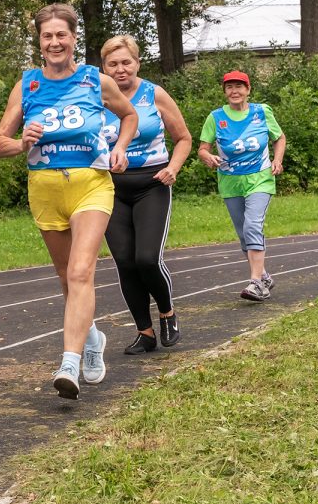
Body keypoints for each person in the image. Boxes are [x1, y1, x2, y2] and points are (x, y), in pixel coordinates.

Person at [0, 3, 137, 400]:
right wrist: (20, 142)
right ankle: (92, 338)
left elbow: (129, 116)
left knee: (80, 272)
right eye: (47, 36)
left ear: (74, 38)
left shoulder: (95, 80)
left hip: (91, 184)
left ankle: (68, 362)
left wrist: (121, 148)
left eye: (62, 35)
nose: (55, 42)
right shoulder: (27, 86)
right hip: (44, 188)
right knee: (64, 276)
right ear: (39, 42)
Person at [99, 36, 192, 354]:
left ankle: (167, 313)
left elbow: (183, 138)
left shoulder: (154, 94)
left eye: (126, 62)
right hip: (110, 189)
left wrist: (174, 168)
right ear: (104, 68)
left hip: (152, 183)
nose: (120, 69)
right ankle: (145, 332)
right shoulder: (95, 100)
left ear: (137, 63)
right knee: (125, 262)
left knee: (147, 259)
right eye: (113, 64)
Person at [197, 70, 287, 301]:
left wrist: (277, 160)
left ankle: (256, 283)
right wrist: (207, 157)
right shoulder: (216, 117)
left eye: (239, 86)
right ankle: (264, 276)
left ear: (248, 90)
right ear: (224, 91)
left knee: (252, 226)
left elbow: (279, 138)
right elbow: (203, 148)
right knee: (243, 234)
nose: (234, 91)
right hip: (230, 182)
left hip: (260, 178)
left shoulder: (261, 112)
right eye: (229, 87)